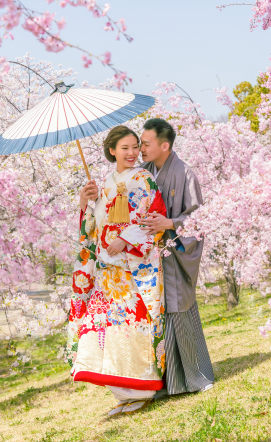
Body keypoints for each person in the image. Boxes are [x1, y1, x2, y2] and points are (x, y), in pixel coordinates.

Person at [67, 125, 167, 417]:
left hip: (134, 268)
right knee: (106, 330)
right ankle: (123, 392)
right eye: (125, 148)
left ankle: (142, 390)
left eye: (136, 147)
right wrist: (88, 201)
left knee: (135, 326)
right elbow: (93, 229)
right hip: (107, 273)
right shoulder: (106, 183)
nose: (133, 153)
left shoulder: (144, 179)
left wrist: (125, 239)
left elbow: (155, 217)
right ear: (112, 151)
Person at [139, 117, 214, 398]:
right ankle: (161, 382)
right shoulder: (142, 172)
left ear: (164, 145)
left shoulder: (184, 173)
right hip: (147, 258)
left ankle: (194, 377)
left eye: (146, 144)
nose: (141, 148)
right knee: (154, 316)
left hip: (174, 254)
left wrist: (168, 224)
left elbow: (199, 218)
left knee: (179, 311)